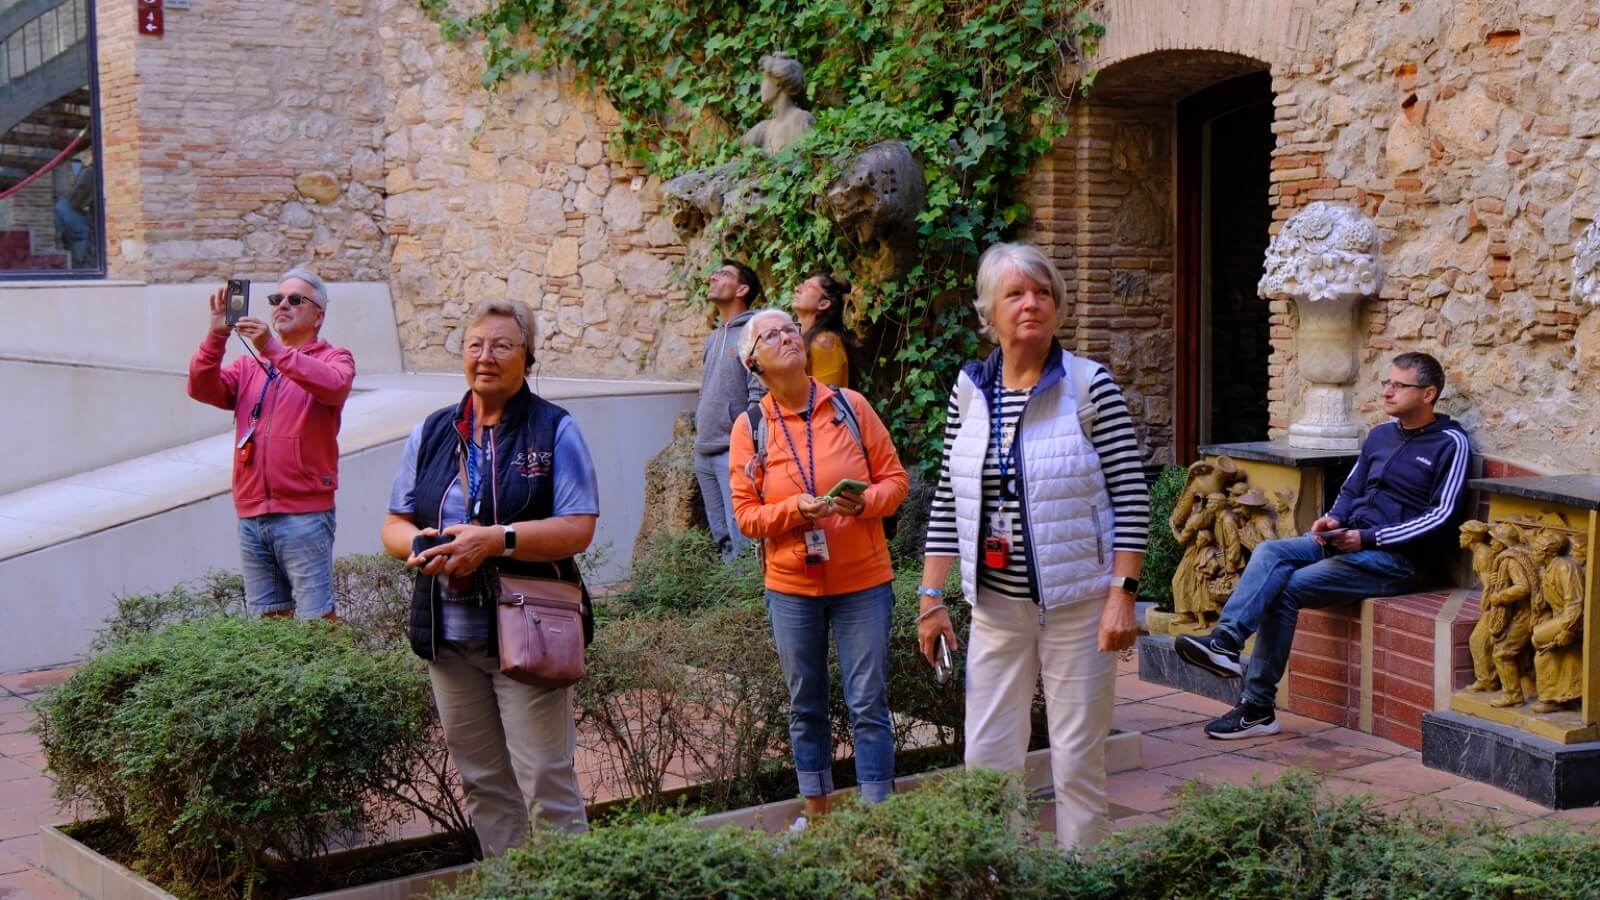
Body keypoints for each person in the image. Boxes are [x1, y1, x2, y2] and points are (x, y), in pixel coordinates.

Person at [916, 241, 1150, 849]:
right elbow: (948, 497)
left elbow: (1131, 496)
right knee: (987, 757)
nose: (1031, 304)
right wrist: (930, 596)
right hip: (996, 607)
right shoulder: (969, 390)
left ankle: (1083, 876)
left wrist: (1122, 594)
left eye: (1043, 293)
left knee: (1077, 760)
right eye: (1015, 293)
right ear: (988, 313)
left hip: (1078, 606)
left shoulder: (1088, 386)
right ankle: (1000, 870)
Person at [381, 299, 597, 856]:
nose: (486, 356)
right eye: (475, 345)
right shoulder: (433, 431)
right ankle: (512, 883)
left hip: (527, 634)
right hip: (448, 637)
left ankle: (570, 885)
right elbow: (394, 522)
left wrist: (497, 540)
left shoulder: (554, 429)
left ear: (528, 356)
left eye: (502, 345)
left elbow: (578, 526)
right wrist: (420, 546)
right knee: (482, 780)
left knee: (544, 778)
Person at [1176, 351, 1470, 738]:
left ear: (1428, 394)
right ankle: (1226, 641)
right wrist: (1332, 520)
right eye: (1386, 383)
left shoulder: (1450, 443)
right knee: (1270, 551)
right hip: (1346, 541)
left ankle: (1257, 707)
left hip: (1397, 561)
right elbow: (1351, 490)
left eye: (1399, 385)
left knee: (1287, 589)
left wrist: (1366, 538)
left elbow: (1442, 516)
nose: (1387, 391)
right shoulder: (1380, 436)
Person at [729, 308, 908, 826]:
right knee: (805, 703)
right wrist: (794, 511)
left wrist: (867, 503)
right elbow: (746, 516)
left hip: (864, 581)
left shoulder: (851, 406)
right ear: (753, 362)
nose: (788, 337)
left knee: (868, 702)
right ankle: (817, 815)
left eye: (791, 329)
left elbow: (895, 481)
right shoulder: (751, 428)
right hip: (791, 587)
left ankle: (876, 818)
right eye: (771, 335)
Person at [187, 267, 354, 619]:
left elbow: (334, 385)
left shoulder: (335, 358)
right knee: (268, 627)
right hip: (252, 514)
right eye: (277, 299)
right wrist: (216, 336)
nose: (283, 305)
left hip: (304, 514)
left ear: (319, 315)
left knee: (318, 623)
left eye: (295, 299)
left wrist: (272, 348)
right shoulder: (249, 366)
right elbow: (200, 387)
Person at [695, 259, 767, 561]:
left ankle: (750, 587)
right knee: (722, 536)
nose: (713, 277)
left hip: (733, 451)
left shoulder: (753, 333)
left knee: (743, 535)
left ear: (742, 289)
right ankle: (731, 588)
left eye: (723, 274)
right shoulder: (714, 337)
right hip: (704, 449)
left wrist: (747, 446)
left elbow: (759, 395)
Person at [791, 273, 853, 388]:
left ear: (823, 304)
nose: (797, 289)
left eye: (808, 287)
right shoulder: (796, 336)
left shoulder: (825, 343)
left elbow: (827, 396)